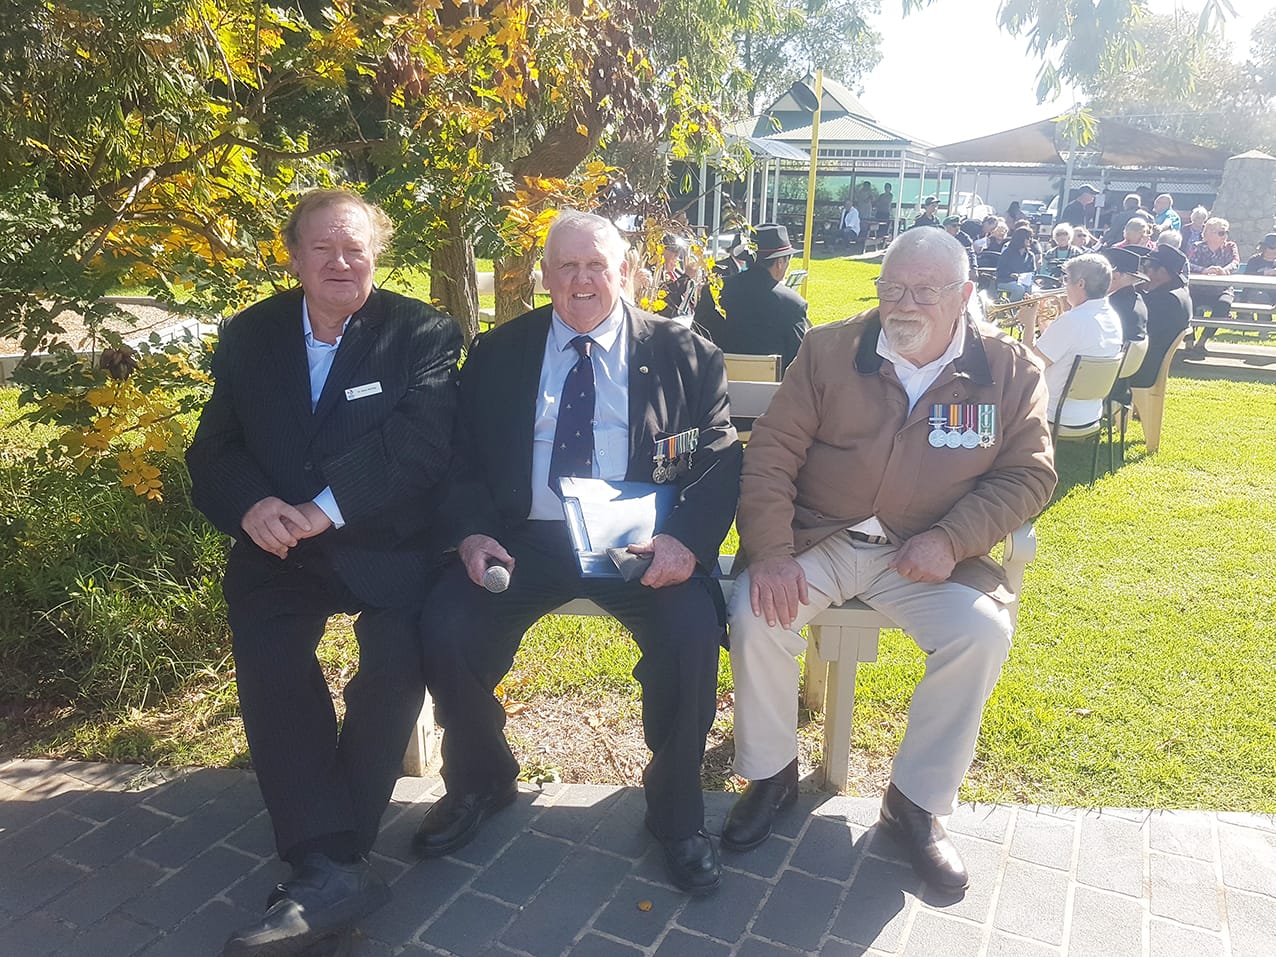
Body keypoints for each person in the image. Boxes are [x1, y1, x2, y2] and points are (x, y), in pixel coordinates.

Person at [412, 210, 742, 897]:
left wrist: (685, 541)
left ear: (626, 274)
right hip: (524, 536)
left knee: (689, 633)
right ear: (544, 277)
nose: (583, 280)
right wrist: (472, 532)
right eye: (567, 267)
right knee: (445, 625)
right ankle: (482, 779)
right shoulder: (501, 352)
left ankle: (676, 814)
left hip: (638, 538)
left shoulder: (687, 353)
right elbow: (460, 457)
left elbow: (717, 457)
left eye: (598, 266)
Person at [721, 228, 1055, 894]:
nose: (902, 304)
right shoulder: (829, 350)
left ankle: (915, 802)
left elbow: (1028, 474)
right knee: (757, 612)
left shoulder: (1009, 370)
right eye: (891, 287)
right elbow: (771, 455)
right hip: (823, 537)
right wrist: (774, 552)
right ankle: (771, 772)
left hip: (929, 551)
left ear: (964, 294)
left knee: (981, 632)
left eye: (923, 291)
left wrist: (953, 538)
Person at [186, 188, 462, 956]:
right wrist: (252, 507)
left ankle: (325, 861)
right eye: (324, 249)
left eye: (356, 248)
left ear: (377, 254)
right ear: (294, 257)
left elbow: (420, 447)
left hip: (388, 543)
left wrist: (325, 507)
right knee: (270, 652)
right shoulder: (252, 333)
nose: (342, 262)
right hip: (281, 546)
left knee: (396, 657)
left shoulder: (421, 331)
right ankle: (331, 863)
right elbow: (214, 450)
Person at [1031, 253, 1124, 426]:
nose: (1064, 285)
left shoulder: (1071, 321)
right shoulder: (1113, 317)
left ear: (1080, 284)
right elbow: (1068, 345)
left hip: (1054, 412)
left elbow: (1030, 365)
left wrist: (1028, 323)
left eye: (1067, 280)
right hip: (1091, 413)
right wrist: (1046, 324)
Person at [718, 223, 811, 372]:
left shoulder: (716, 291)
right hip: (774, 392)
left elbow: (700, 341)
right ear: (780, 263)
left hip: (717, 386)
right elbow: (798, 362)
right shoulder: (792, 304)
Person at [1130, 244, 1192, 390]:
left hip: (1142, 371)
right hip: (1149, 365)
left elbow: (1136, 329)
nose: (1143, 272)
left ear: (1162, 272)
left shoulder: (1166, 300)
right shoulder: (1177, 293)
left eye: (1147, 267)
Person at [1185, 216, 1240, 358]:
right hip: (1198, 289)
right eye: (1221, 232)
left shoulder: (1230, 246)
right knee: (1189, 306)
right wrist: (1204, 270)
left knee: (1224, 305)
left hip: (1221, 290)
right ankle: (1189, 341)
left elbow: (1235, 262)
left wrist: (1224, 270)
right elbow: (1188, 263)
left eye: (1226, 232)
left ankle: (1202, 342)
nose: (1225, 236)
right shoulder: (1196, 246)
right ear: (1209, 232)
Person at [995, 226, 1038, 302]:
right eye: (1027, 237)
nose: (1030, 240)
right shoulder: (1007, 253)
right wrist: (1010, 274)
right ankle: (1010, 308)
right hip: (1006, 280)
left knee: (1033, 290)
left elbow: (1033, 271)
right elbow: (1000, 270)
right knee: (1019, 289)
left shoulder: (1030, 255)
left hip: (1024, 282)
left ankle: (1026, 310)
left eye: (1031, 237)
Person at [654, 235, 693, 318]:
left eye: (679, 251)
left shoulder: (677, 272)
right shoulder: (654, 274)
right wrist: (686, 277)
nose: (677, 255)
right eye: (673, 250)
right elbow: (668, 295)